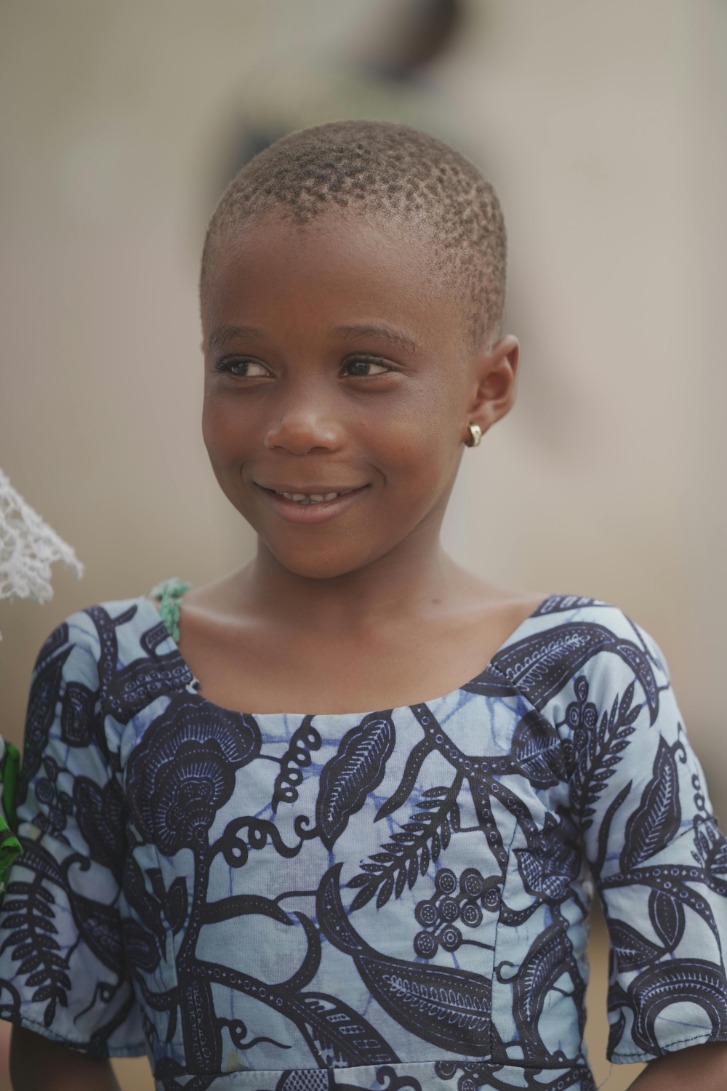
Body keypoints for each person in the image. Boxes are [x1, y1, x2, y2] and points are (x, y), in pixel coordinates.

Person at [0, 121, 725, 1091]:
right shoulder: (110, 676)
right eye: (243, 366)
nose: (299, 423)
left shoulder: (583, 673)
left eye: (362, 367)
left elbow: (699, 1037)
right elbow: (57, 1038)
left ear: (487, 387)